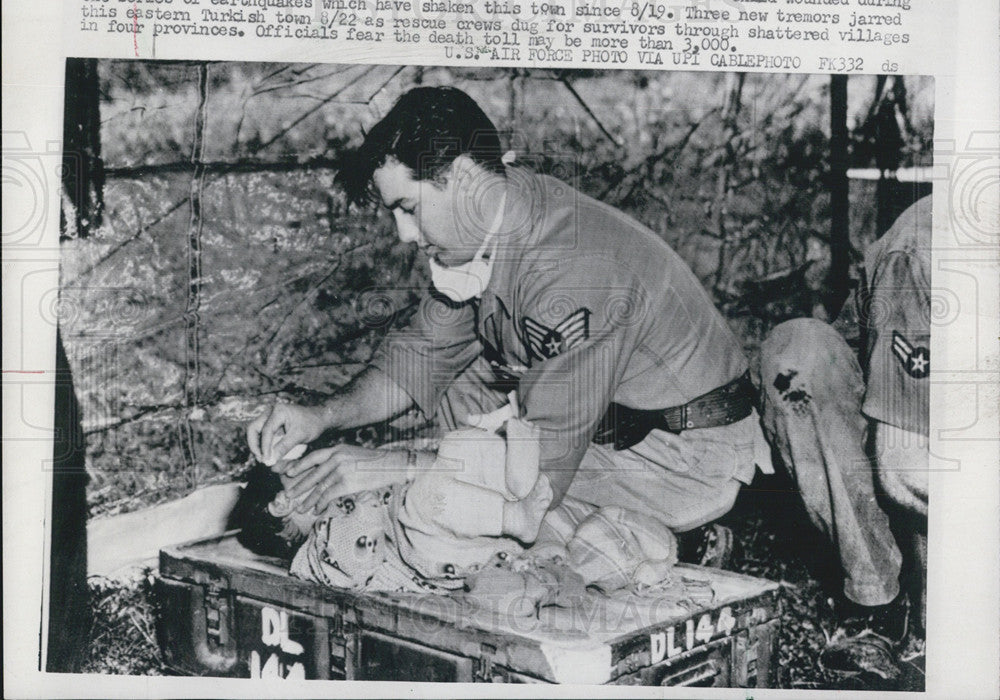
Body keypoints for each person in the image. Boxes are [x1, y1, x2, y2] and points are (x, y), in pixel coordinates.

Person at [247, 85, 771, 569]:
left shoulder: (572, 273)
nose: (404, 234)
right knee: (449, 392)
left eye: (408, 208)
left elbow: (535, 475)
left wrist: (392, 467)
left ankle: (674, 538)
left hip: (683, 456)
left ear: (464, 178)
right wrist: (321, 416)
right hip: (617, 422)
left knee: (479, 515)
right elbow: (416, 359)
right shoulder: (497, 220)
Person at [759, 194, 931, 681]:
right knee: (799, 361)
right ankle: (880, 602)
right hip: (908, 446)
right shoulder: (926, 248)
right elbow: (907, 469)